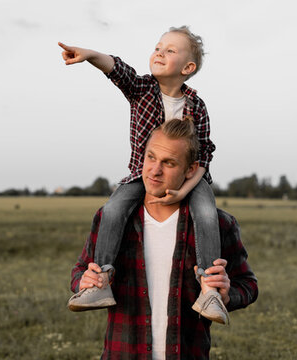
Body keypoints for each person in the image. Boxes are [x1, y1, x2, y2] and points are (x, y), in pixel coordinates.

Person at [58, 26, 227, 323]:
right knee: (112, 209)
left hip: (190, 179)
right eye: (158, 47)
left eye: (170, 50)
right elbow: (117, 69)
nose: (160, 52)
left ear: (188, 68)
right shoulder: (141, 90)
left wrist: (185, 190)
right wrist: (89, 56)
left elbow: (204, 155)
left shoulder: (196, 106)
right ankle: (101, 283)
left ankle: (209, 290)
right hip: (141, 174)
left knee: (207, 213)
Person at [70, 119, 257, 359]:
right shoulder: (111, 220)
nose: (154, 170)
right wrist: (84, 281)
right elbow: (78, 271)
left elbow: (249, 285)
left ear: (191, 170)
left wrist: (226, 294)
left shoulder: (219, 225)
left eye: (168, 163)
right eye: (151, 157)